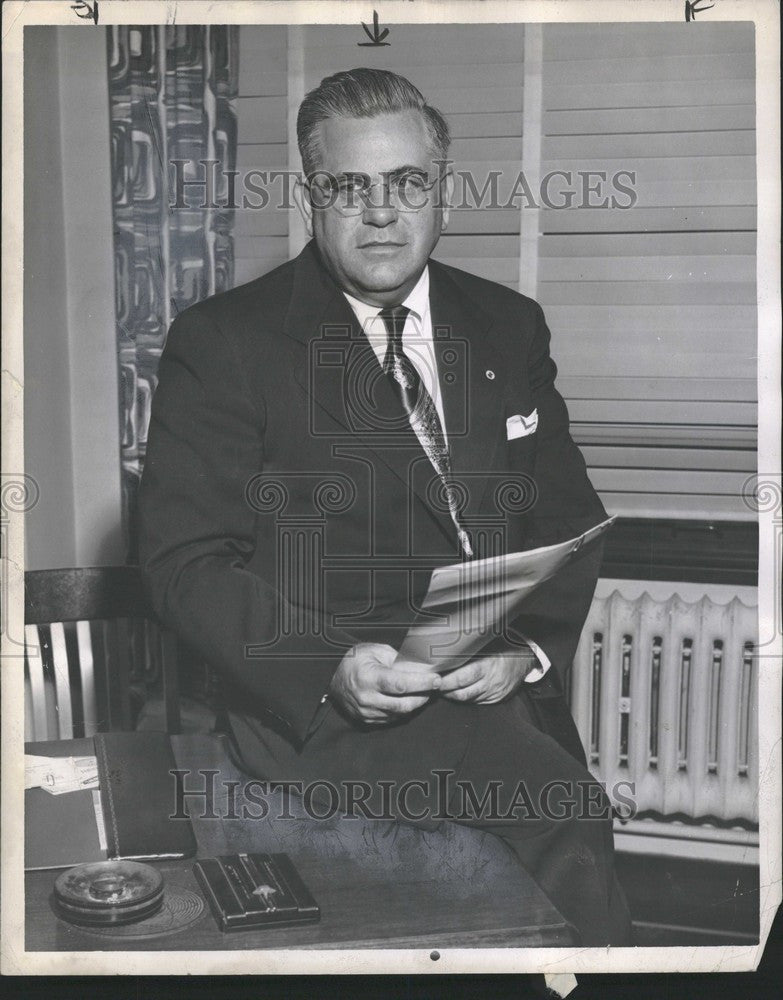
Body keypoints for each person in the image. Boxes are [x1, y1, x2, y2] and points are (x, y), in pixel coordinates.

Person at [139, 68, 631, 945]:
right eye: (348, 187)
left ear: (442, 189)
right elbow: (186, 567)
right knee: (563, 815)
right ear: (309, 197)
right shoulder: (224, 343)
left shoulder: (506, 323)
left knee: (562, 840)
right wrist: (329, 664)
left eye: (407, 183)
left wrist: (526, 648)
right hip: (328, 710)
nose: (381, 212)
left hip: (497, 690)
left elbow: (564, 513)